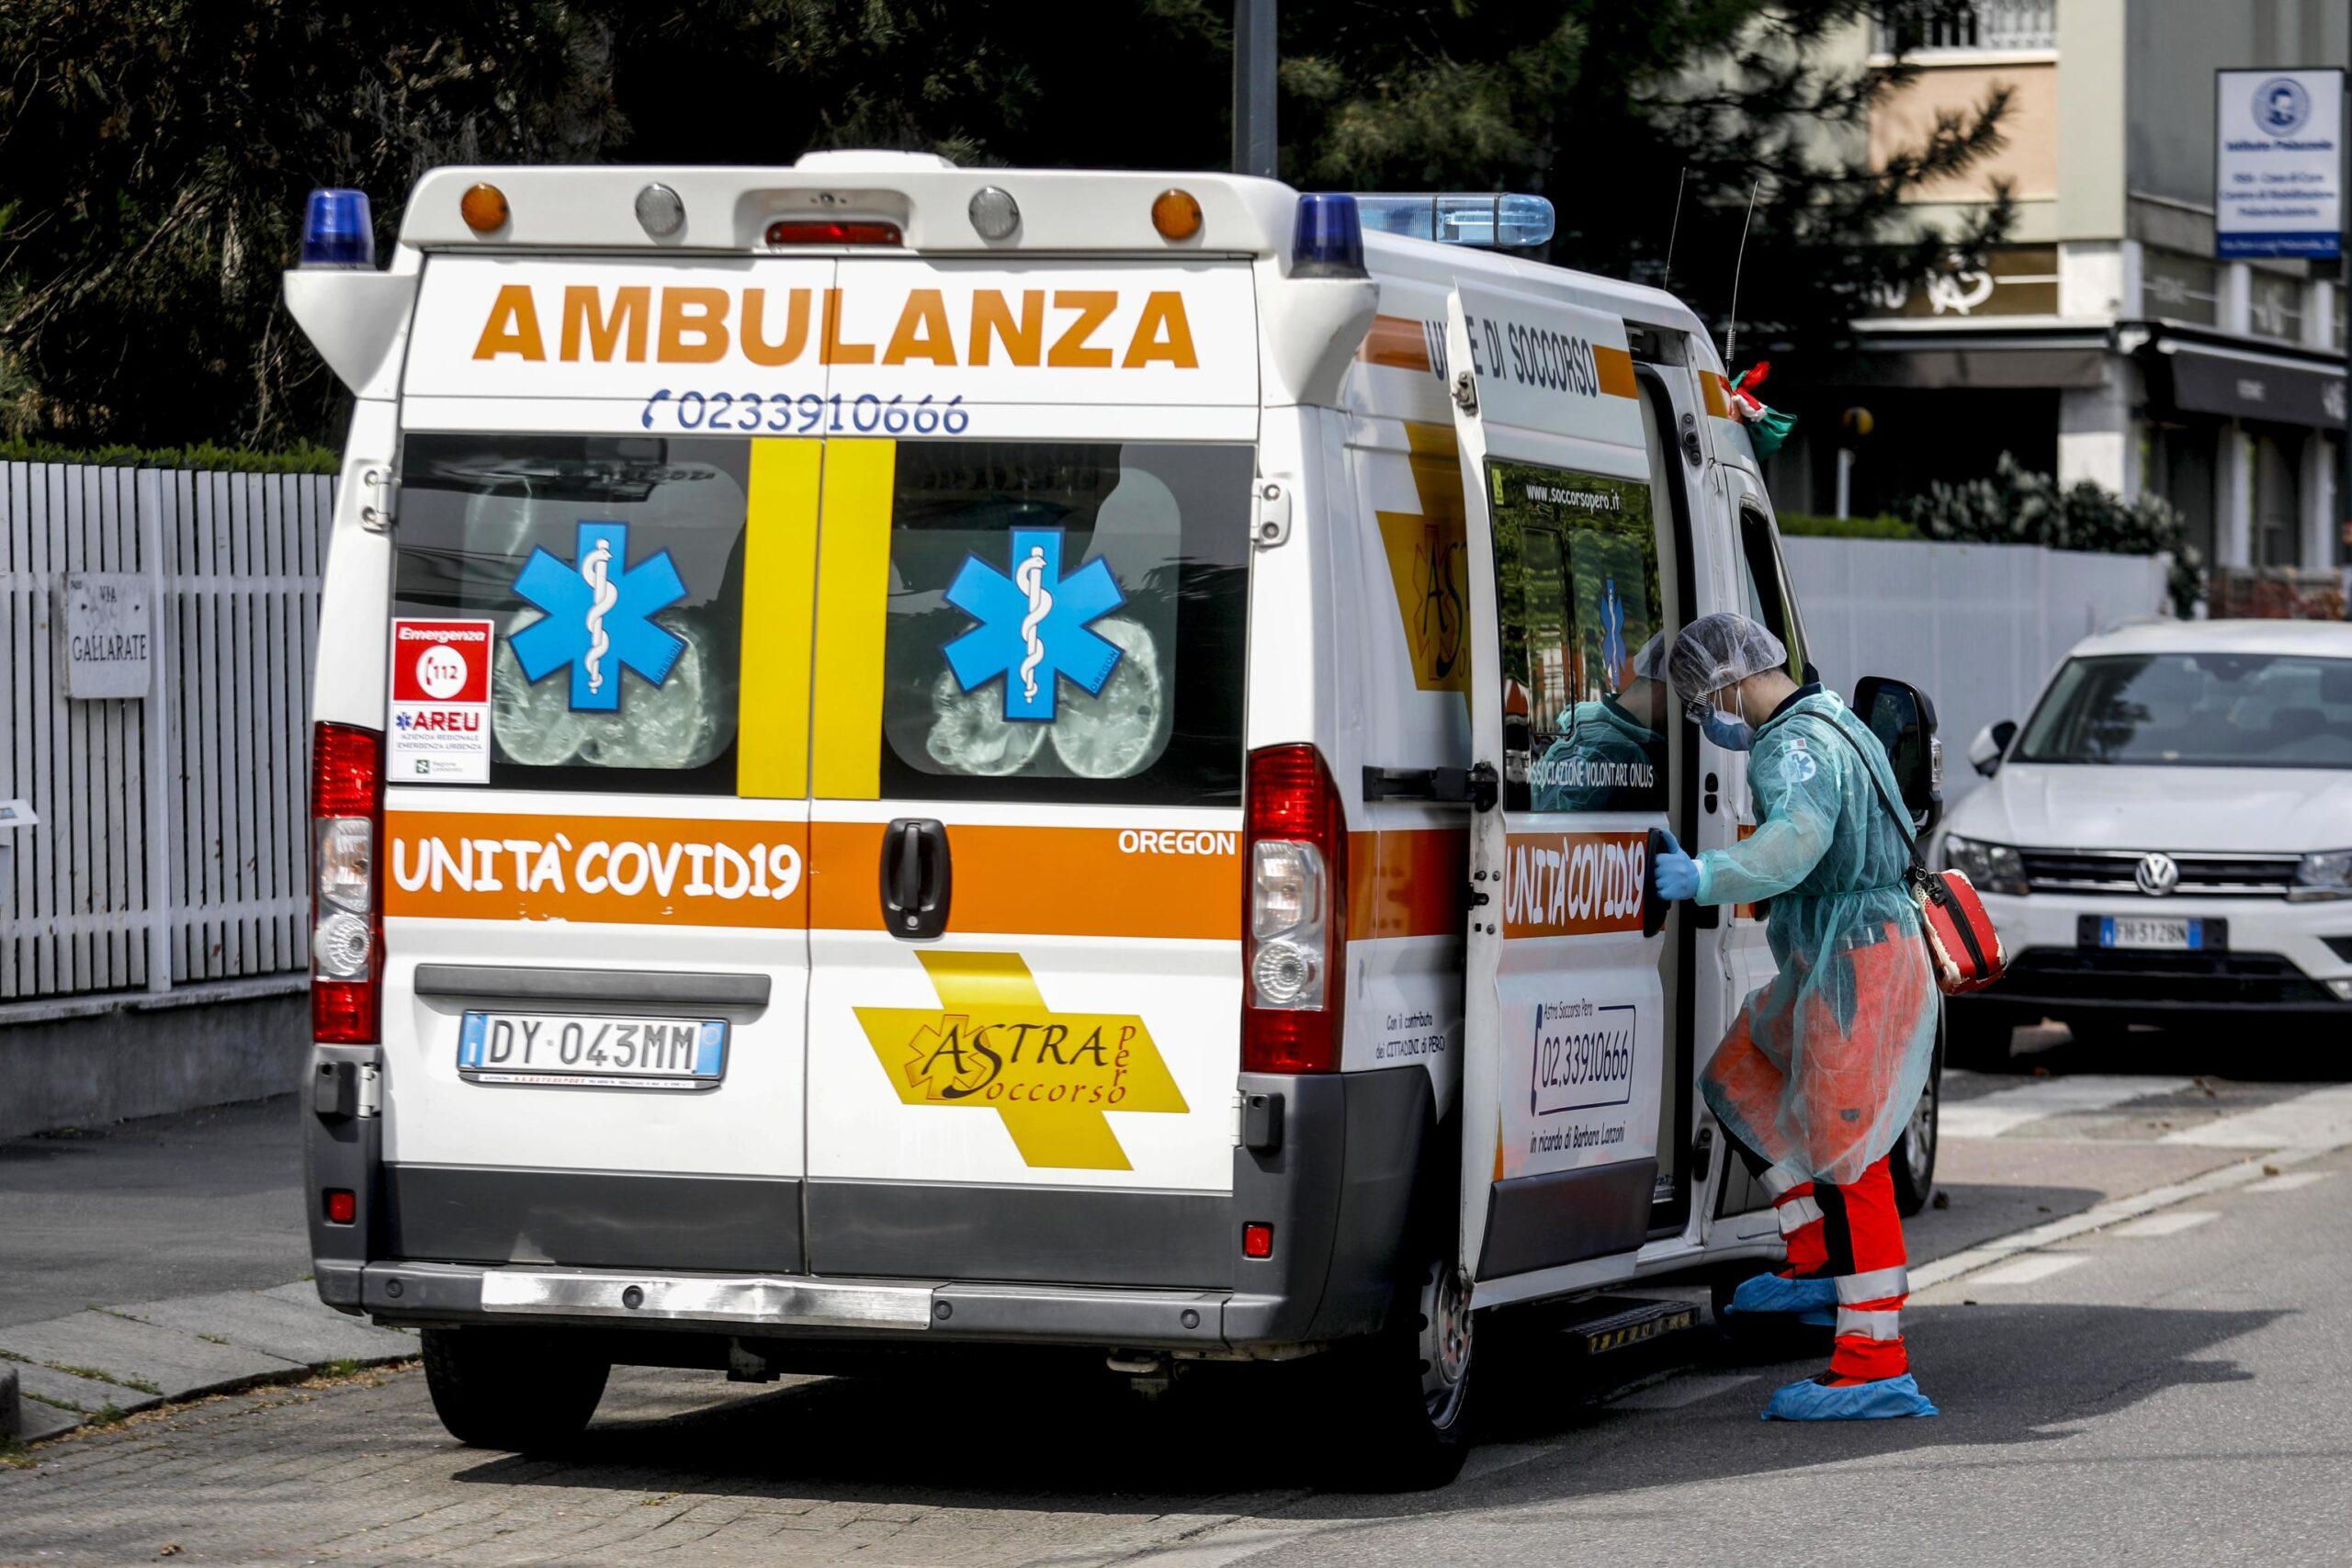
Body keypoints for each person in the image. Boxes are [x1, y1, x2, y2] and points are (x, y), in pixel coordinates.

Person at [1651, 612, 1941, 1422]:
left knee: (1854, 1156)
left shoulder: (1792, 748)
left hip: (1856, 967)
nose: (1706, 716)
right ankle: (1813, 1260)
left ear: (1724, 683)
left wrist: (1706, 873)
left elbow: (1798, 841)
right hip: (1838, 959)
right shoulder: (1833, 717)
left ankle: (1874, 1361)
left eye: (1701, 698)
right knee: (1740, 1073)